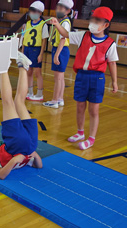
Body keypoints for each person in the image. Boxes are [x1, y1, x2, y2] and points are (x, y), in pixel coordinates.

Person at [49, 7, 118, 150]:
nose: (93, 22)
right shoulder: (83, 36)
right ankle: (80, 132)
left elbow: (112, 63)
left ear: (105, 25)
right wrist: (57, 24)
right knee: (80, 106)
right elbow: (66, 34)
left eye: (97, 20)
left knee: (93, 110)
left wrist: (115, 82)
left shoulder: (110, 43)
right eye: (92, 19)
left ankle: (91, 138)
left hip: (97, 78)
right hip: (81, 76)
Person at [0, 52, 43, 180]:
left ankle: (23, 66)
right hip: (22, 144)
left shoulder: (7, 148)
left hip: (31, 143)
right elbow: (0, 175)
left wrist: (30, 154)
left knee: (19, 102)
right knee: (8, 102)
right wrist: (14, 160)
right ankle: (3, 65)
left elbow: (39, 165)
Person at [43, 0, 74, 108]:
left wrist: (56, 54)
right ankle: (60, 99)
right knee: (61, 78)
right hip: (61, 50)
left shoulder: (65, 22)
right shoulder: (62, 21)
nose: (58, 10)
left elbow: (63, 39)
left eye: (61, 8)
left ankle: (54, 100)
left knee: (58, 78)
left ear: (68, 11)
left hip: (60, 50)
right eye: (58, 7)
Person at [22, 1, 49, 101]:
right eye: (31, 11)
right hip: (27, 49)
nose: (32, 13)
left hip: (36, 49)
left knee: (38, 73)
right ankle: (29, 92)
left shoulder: (43, 25)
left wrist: (41, 54)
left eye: (34, 11)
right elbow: (24, 39)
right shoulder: (27, 24)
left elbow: (44, 41)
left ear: (40, 13)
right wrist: (22, 52)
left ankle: (39, 94)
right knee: (29, 72)